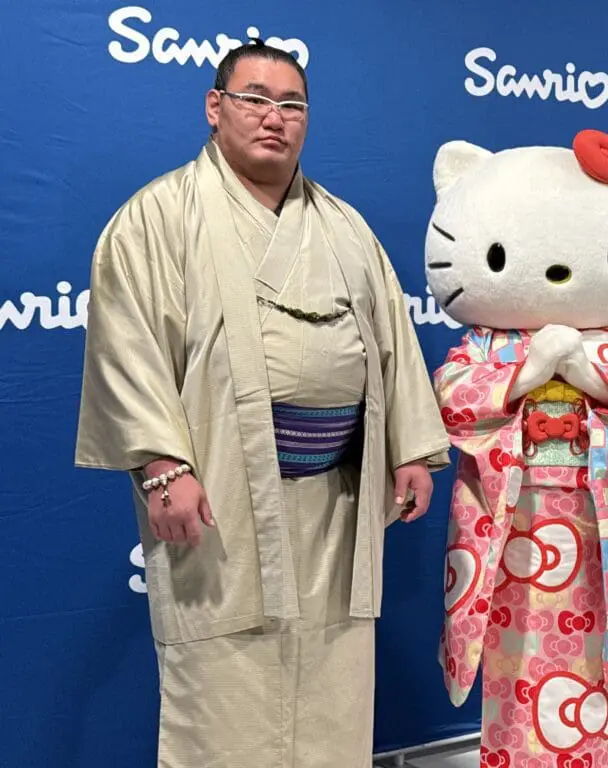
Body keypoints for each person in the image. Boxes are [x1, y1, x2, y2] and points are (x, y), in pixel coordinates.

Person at [74, 40, 450, 768]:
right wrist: (160, 468)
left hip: (338, 494)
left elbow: (391, 344)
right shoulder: (156, 217)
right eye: (254, 99)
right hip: (221, 484)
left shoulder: (344, 226)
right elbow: (128, 348)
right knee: (223, 672)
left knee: (334, 668)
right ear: (215, 108)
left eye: (291, 105)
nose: (273, 118)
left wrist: (409, 450)